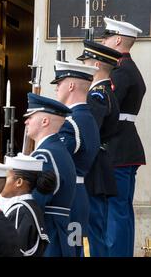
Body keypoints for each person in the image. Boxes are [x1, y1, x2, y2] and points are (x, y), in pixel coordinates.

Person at [100, 17, 146, 257]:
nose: (103, 41)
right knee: (122, 209)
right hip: (126, 146)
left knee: (115, 210)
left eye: (106, 37)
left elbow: (108, 106)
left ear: (117, 39)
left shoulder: (120, 70)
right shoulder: (129, 68)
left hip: (117, 147)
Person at [76, 39, 122, 257]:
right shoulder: (104, 93)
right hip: (100, 165)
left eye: (86, 62)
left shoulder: (97, 96)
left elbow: (89, 134)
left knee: (93, 228)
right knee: (96, 227)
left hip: (94, 169)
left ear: (95, 66)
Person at [51, 60, 100, 257]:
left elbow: (57, 162)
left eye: (59, 83)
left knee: (65, 249)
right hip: (80, 193)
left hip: (67, 197)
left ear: (71, 85)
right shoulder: (87, 117)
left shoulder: (71, 122)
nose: (56, 89)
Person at [23, 93, 76, 257]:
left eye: (30, 116)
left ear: (45, 121)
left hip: (49, 233)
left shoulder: (44, 155)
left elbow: (36, 202)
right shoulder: (56, 150)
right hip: (58, 232)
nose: (26, 121)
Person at [0, 153, 56, 257]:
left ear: (19, 182)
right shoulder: (26, 207)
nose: (1, 181)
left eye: (6, 177)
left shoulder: (20, 212)